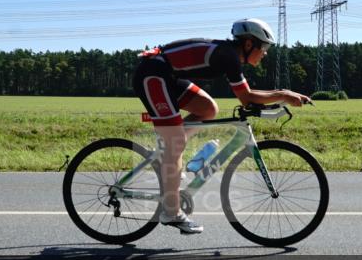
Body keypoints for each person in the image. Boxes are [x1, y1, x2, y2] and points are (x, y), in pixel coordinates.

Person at [132, 18, 313, 234]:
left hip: (167, 75)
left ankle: (168, 152)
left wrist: (282, 96)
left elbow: (248, 96)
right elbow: (246, 98)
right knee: (176, 142)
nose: (265, 53)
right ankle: (171, 212)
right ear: (248, 44)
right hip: (153, 74)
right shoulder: (228, 56)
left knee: (208, 109)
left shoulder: (229, 55)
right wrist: (283, 95)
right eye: (263, 47)